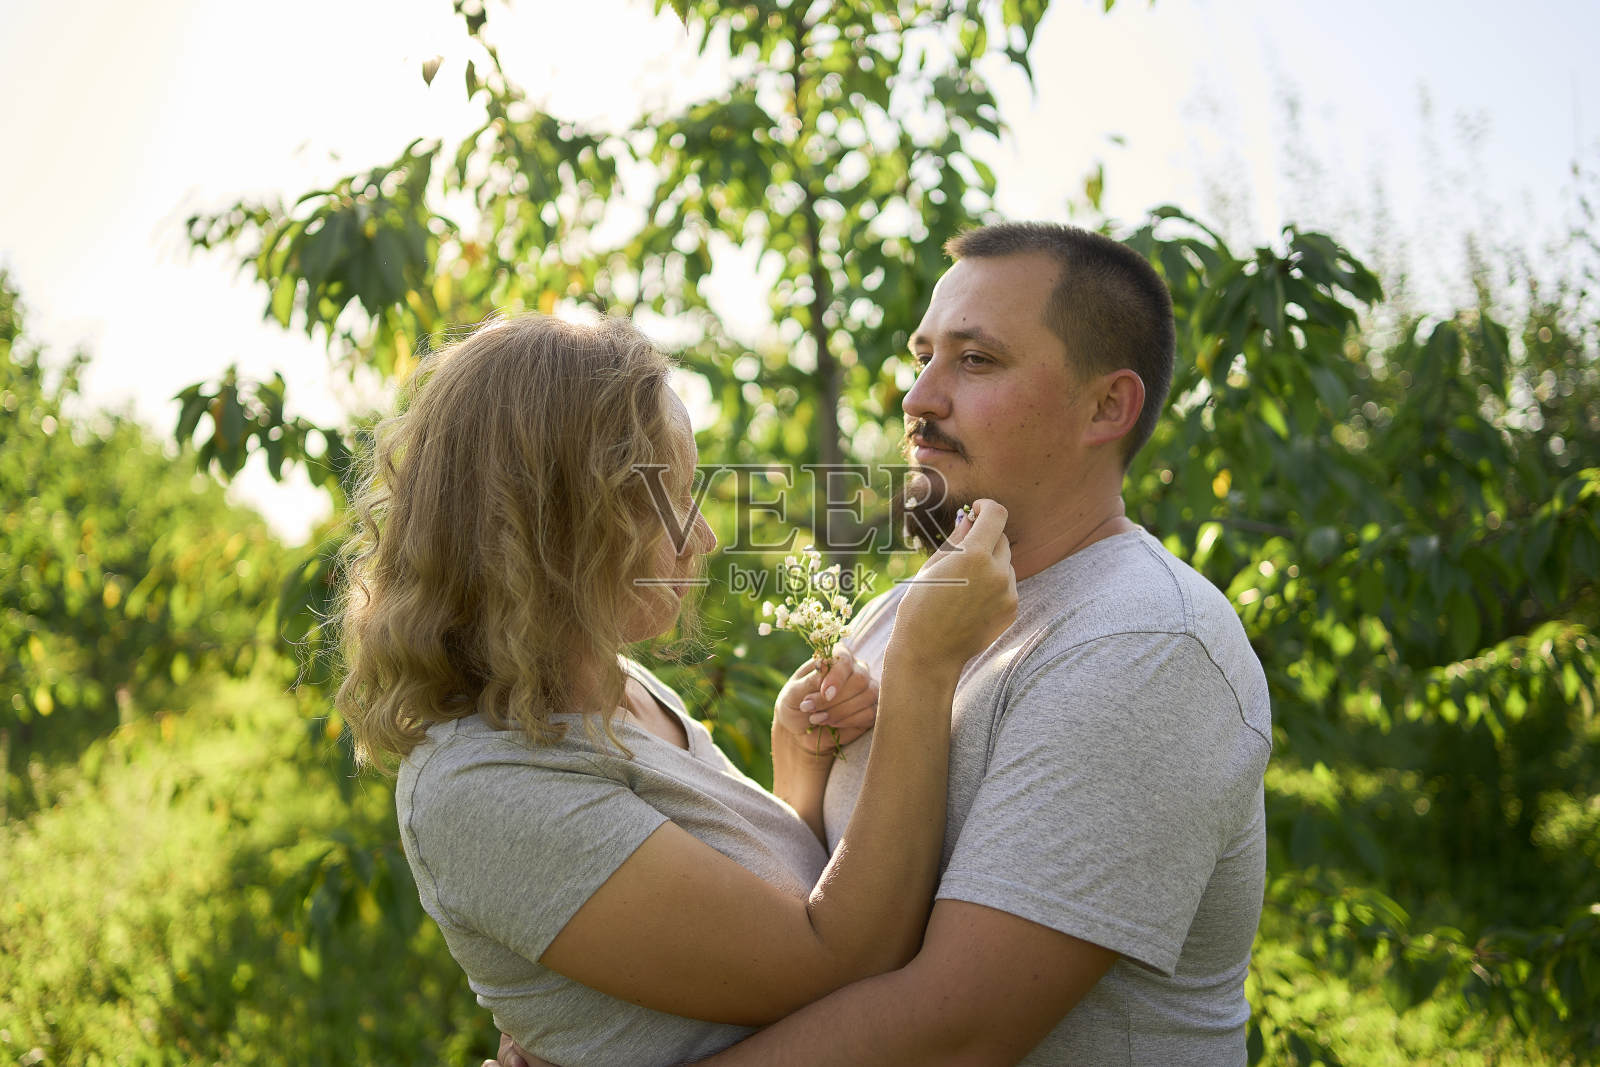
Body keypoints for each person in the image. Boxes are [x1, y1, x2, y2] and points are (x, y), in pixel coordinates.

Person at [493, 221, 1272, 1066]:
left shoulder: (1144, 643)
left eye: (976, 361)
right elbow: (818, 920)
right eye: (923, 354)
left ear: (1106, 406)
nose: (918, 398)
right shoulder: (912, 612)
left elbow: (955, 1032)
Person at [336, 313, 1017, 1067]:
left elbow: (762, 915)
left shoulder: (622, 689)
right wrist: (924, 661)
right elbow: (840, 960)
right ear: (556, 528)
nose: (706, 537)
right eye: (670, 502)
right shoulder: (484, 785)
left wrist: (795, 765)